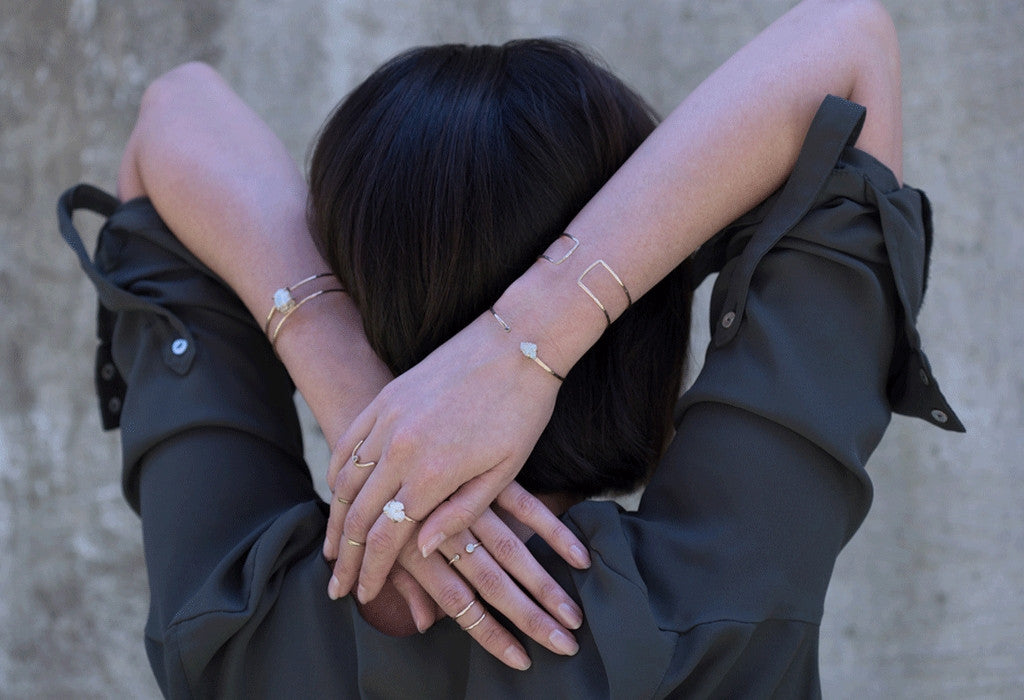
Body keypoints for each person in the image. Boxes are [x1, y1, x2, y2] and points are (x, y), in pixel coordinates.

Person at [59, 0, 962, 696]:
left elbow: (173, 114)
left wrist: (348, 381)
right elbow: (849, 42)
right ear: (640, 330)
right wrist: (529, 338)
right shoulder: (723, 592)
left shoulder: (228, 626)